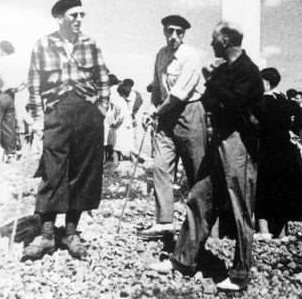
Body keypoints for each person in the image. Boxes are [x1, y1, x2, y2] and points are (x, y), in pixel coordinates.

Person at [149, 21, 264, 292]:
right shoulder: (225, 70)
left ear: (225, 41)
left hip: (239, 144)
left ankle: (239, 274)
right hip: (219, 140)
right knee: (200, 196)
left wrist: (214, 86)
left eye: (214, 39)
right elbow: (212, 100)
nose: (211, 44)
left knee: (240, 207)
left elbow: (234, 103)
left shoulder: (248, 71)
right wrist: (216, 90)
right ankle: (183, 259)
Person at [23, 0, 109, 260]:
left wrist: (101, 108)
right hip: (56, 112)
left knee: (84, 171)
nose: (79, 20)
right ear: (59, 18)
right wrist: (38, 119)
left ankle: (71, 232)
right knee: (53, 170)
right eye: (73, 15)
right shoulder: (43, 45)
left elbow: (103, 77)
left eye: (82, 15)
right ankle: (47, 234)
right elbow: (34, 83)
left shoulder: (90, 44)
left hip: (87, 112)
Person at [141, 15, 207, 237]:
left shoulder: (191, 56)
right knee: (160, 167)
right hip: (165, 115)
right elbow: (157, 89)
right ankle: (164, 222)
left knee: (196, 170)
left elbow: (178, 96)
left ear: (184, 34)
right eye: (170, 31)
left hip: (189, 113)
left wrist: (157, 111)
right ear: (164, 31)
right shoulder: (161, 54)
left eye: (179, 32)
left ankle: (205, 225)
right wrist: (151, 109)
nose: (173, 37)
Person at [255, 68, 302, 240]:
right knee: (281, 189)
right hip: (285, 149)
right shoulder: (286, 101)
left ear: (265, 82)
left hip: (266, 148)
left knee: (263, 186)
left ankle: (263, 230)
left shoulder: (261, 101)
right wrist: (293, 129)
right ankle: (281, 232)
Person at [0, 40, 21, 161]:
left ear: (2, 50)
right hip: (12, 95)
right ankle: (11, 151)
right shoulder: (16, 61)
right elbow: (23, 82)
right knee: (9, 125)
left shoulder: (0, 61)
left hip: (1, 94)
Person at [112, 79, 143, 161]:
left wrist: (114, 124)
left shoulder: (119, 101)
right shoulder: (125, 102)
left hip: (120, 128)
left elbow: (120, 117)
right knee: (128, 146)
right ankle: (131, 162)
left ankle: (117, 165)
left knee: (116, 147)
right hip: (127, 127)